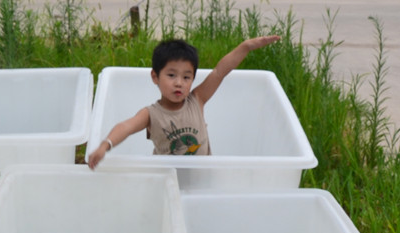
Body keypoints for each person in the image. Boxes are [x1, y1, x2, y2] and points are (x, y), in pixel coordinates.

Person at [87, 35, 281, 170]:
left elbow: (220, 71)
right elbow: (126, 126)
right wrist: (106, 145)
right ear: (155, 76)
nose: (179, 83)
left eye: (186, 77)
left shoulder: (197, 99)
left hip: (202, 176)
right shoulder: (151, 114)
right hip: (167, 180)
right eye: (171, 75)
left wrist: (245, 47)